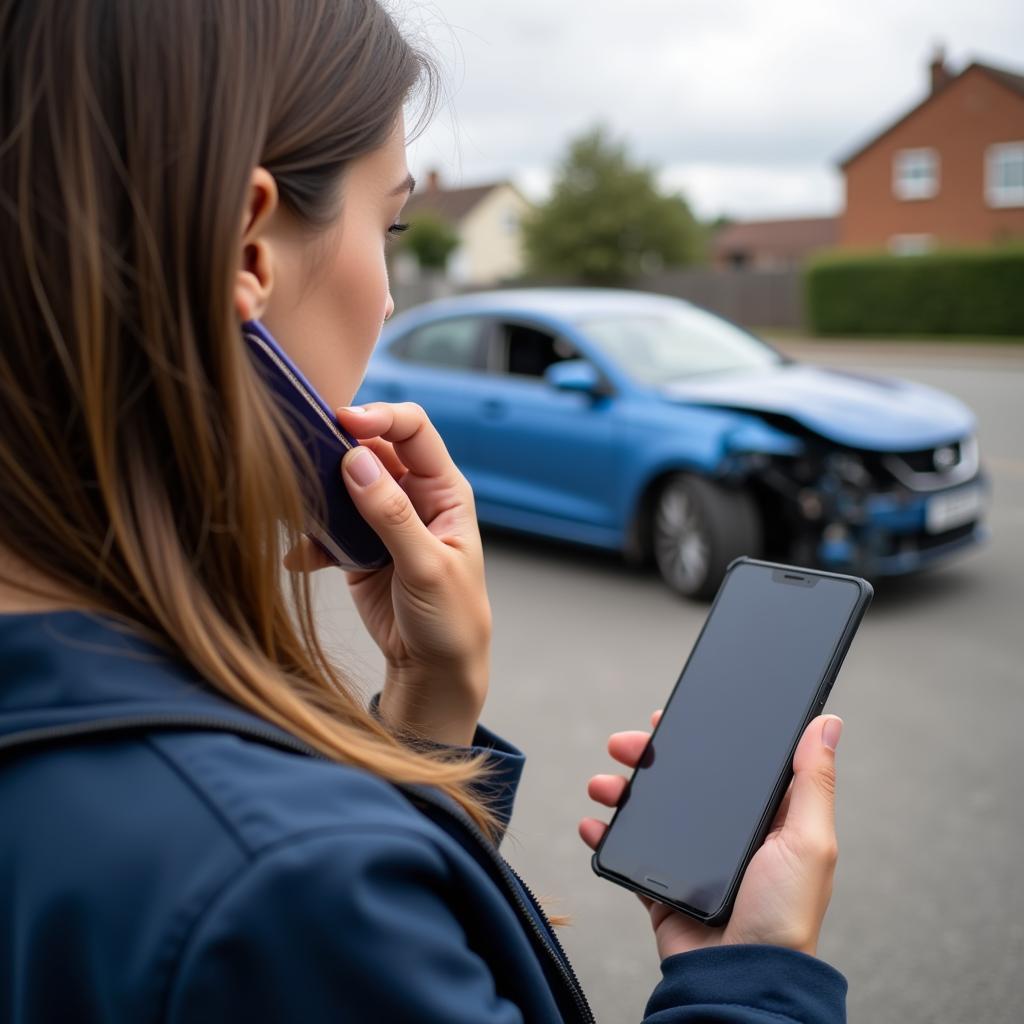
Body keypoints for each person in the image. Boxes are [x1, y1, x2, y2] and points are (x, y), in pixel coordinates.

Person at [0, 1, 848, 1020]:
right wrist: (751, 972)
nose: (391, 299)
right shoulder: (277, 888)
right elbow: (300, 928)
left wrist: (429, 716)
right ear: (248, 253)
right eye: (388, 224)